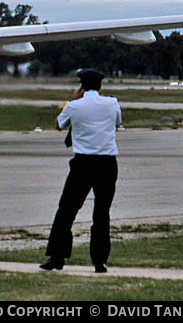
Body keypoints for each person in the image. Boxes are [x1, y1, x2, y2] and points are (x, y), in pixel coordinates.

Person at [40, 69, 121, 273]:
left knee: (66, 210)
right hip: (107, 163)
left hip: (83, 163)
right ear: (100, 85)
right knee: (102, 213)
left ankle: (57, 256)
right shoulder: (112, 103)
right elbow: (118, 123)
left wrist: (72, 100)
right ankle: (100, 260)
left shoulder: (74, 106)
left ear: (81, 86)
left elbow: (58, 124)